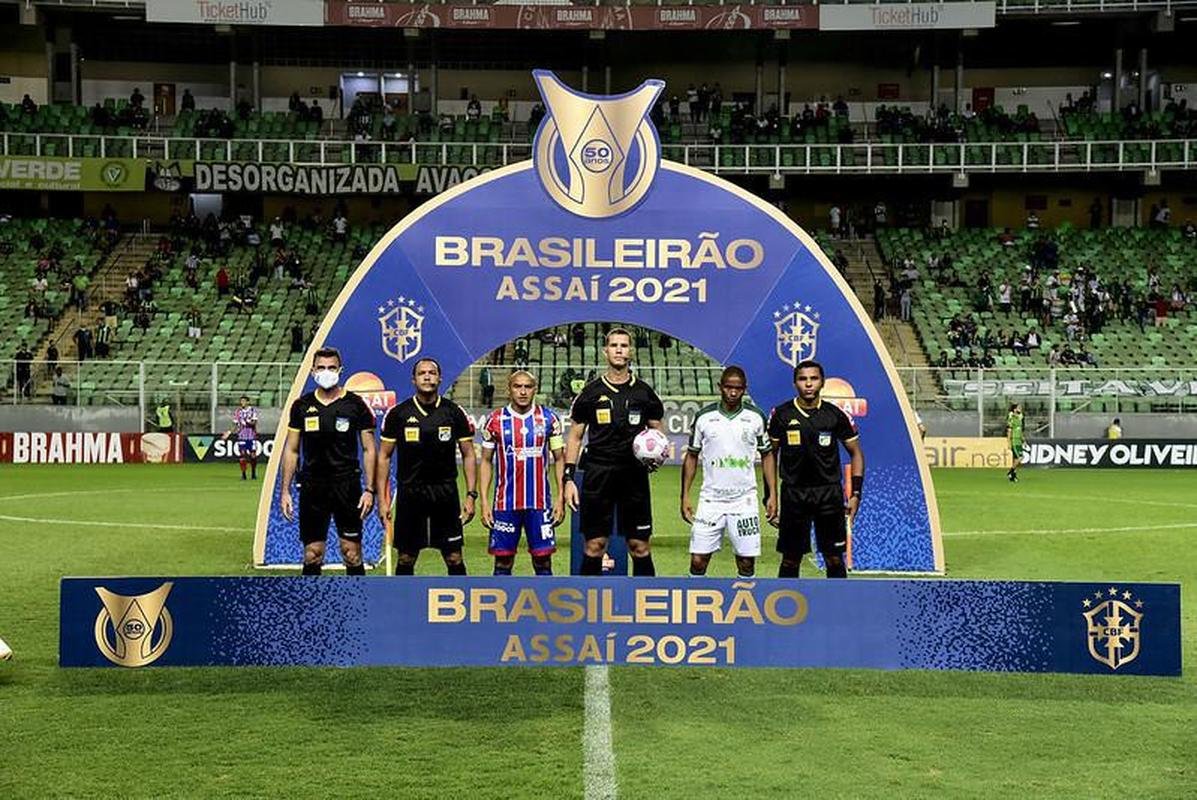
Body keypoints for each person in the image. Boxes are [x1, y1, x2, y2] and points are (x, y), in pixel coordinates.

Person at [563, 328, 665, 577]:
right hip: (598, 473)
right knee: (595, 545)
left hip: (634, 475)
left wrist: (657, 454)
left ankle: (646, 606)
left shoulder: (644, 392)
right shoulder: (590, 393)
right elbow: (575, 437)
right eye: (614, 345)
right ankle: (588, 606)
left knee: (639, 546)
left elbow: (657, 432)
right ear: (605, 351)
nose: (619, 350)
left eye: (624, 345)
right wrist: (568, 478)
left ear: (631, 351)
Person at [376, 358, 477, 576]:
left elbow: (469, 454)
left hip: (445, 492)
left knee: (453, 557)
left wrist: (470, 495)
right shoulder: (398, 414)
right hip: (410, 492)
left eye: (432, 372)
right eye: (422, 373)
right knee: (406, 557)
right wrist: (383, 500)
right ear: (414, 380)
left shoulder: (453, 412)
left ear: (440, 378)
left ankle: (461, 608)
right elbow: (383, 457)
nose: (427, 376)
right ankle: (403, 607)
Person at [280, 347, 376, 576]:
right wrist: (285, 491)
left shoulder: (356, 405)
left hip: (347, 485)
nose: (326, 372)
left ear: (340, 370)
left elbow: (369, 449)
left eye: (331, 368)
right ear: (313, 371)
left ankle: (358, 608)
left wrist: (369, 489)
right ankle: (310, 609)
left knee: (351, 553)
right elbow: (292, 450)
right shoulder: (301, 406)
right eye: (321, 368)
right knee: (313, 553)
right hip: (313, 486)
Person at [766, 360, 864, 579]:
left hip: (828, 494)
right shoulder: (780, 414)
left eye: (813, 379)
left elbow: (856, 453)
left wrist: (856, 493)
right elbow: (770, 455)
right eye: (802, 379)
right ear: (795, 383)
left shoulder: (836, 415)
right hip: (794, 494)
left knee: (834, 557)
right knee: (791, 558)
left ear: (822, 383)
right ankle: (786, 610)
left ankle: (839, 609)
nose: (808, 384)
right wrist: (770, 495)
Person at [681, 366, 775, 580]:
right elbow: (692, 456)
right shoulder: (704, 417)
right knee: (698, 560)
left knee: (746, 562)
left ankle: (744, 609)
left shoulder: (755, 417)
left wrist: (772, 495)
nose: (733, 393)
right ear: (720, 387)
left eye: (738, 388)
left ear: (745, 389)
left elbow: (768, 455)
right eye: (728, 387)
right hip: (711, 499)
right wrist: (685, 495)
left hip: (745, 500)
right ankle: (697, 609)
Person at [479, 370, 565, 577]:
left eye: (528, 386)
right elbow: (485, 461)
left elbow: (560, 458)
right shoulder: (495, 421)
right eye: (518, 386)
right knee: (503, 562)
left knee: (543, 562)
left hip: (539, 503)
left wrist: (561, 499)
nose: (523, 391)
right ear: (509, 390)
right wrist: (483, 502)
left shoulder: (549, 420)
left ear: (535, 389)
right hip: (505, 504)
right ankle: (500, 609)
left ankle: (545, 608)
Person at [222, 395, 260, 480]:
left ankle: (253, 473)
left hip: (251, 436)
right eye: (241, 401)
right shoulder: (238, 412)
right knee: (242, 455)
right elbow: (235, 424)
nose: (242, 403)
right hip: (241, 436)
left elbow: (254, 423)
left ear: (248, 402)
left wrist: (247, 422)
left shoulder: (253, 411)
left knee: (253, 455)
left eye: (244, 401)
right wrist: (228, 432)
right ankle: (243, 475)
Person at [1006, 403, 1024, 483]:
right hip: (1014, 440)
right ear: (1014, 409)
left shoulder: (1019, 418)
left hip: (1019, 440)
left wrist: (1023, 439)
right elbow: (1009, 431)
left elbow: (1020, 430)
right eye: (1019, 407)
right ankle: (1011, 471)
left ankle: (1013, 476)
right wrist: (1009, 442)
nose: (1020, 408)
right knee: (1020, 457)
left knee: (1015, 459)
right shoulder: (1012, 419)